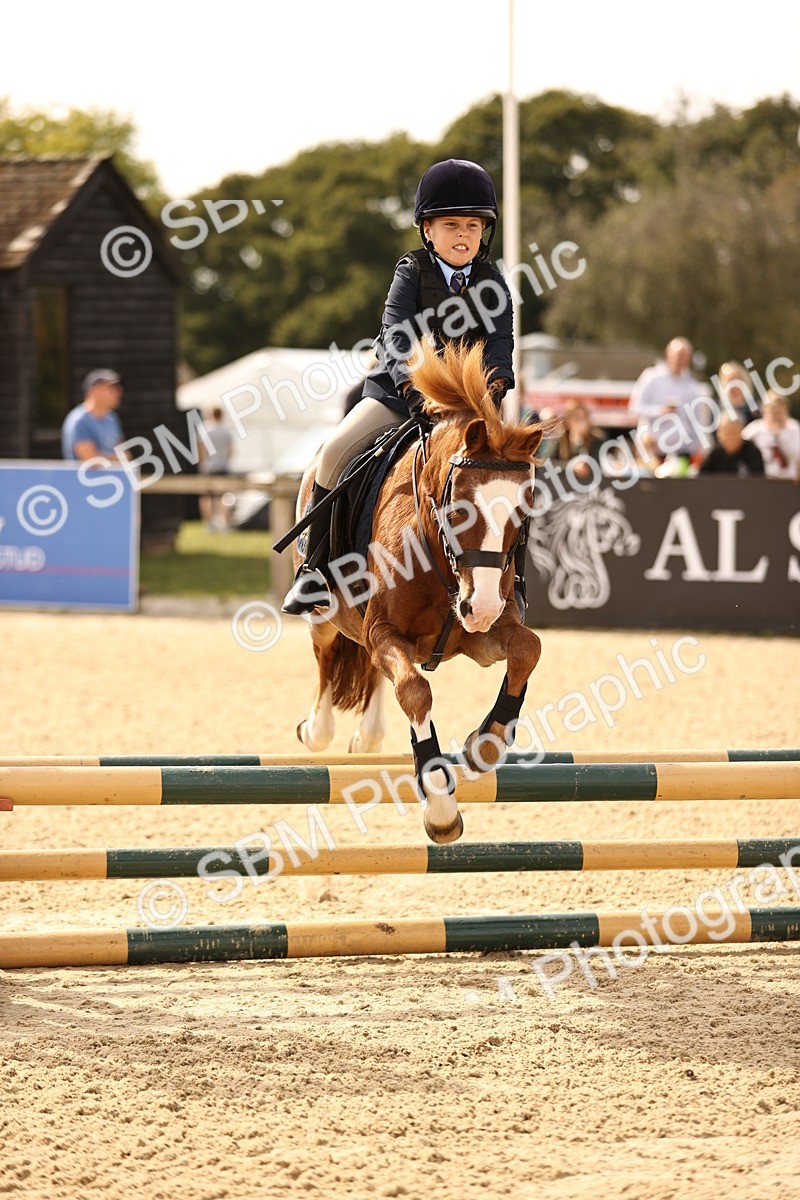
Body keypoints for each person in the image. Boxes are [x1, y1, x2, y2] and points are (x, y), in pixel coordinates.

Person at [282, 158, 515, 616]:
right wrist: (416, 395)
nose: (463, 235)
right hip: (399, 399)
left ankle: (513, 576)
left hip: (469, 409)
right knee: (332, 454)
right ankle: (316, 569)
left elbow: (500, 343)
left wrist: (496, 388)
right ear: (427, 229)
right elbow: (396, 337)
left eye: (472, 224)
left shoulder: (493, 281)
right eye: (451, 225)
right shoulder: (410, 272)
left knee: (510, 475)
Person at [628, 337, 706, 468]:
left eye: (685, 356)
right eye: (678, 355)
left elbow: (697, 421)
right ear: (667, 355)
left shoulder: (692, 385)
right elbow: (634, 407)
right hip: (652, 452)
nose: (681, 360)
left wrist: (697, 448)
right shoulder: (651, 377)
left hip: (682, 453)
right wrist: (659, 411)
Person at [61, 369, 126, 462]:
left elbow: (124, 455)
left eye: (118, 388)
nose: (118, 392)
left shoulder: (112, 418)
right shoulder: (80, 421)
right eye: (112, 388)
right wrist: (117, 459)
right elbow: (91, 461)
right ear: (95, 390)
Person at [741, 390, 800, 481]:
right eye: (773, 409)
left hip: (790, 482)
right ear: (764, 409)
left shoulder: (795, 428)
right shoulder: (753, 430)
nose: (776, 414)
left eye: (780, 409)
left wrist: (780, 435)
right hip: (763, 482)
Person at [548, 400, 605, 483]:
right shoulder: (561, 440)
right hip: (565, 486)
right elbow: (548, 464)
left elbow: (599, 466)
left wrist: (581, 443)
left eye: (582, 418)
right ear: (568, 421)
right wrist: (571, 467)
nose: (579, 423)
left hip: (588, 487)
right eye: (575, 418)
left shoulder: (597, 440)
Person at [197, 406, 234, 531]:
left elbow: (201, 449)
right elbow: (231, 450)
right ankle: (224, 524)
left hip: (208, 467)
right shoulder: (226, 430)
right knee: (223, 496)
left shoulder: (205, 429)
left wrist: (202, 464)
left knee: (206, 497)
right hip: (223, 467)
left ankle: (209, 524)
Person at [699, 413, 765, 476]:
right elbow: (702, 479)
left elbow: (759, 481)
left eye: (734, 432)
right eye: (727, 432)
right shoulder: (714, 454)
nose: (731, 437)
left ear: (741, 431)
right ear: (719, 433)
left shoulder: (753, 452)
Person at [716, 361, 759, 425]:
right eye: (730, 381)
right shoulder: (715, 409)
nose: (734, 385)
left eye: (737, 380)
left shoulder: (756, 410)